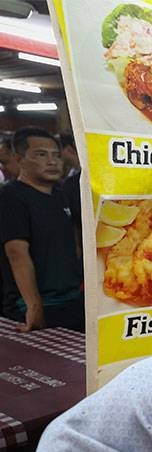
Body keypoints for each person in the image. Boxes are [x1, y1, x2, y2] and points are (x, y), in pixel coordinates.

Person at [0, 127, 83, 332]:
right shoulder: (11, 197)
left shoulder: (60, 194)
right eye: (41, 155)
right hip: (36, 306)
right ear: (19, 160)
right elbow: (17, 253)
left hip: (72, 299)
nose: (52, 161)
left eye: (56, 155)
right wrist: (33, 306)